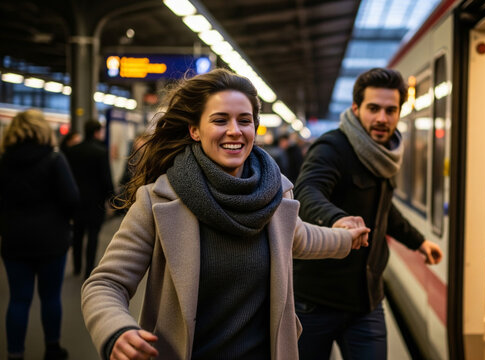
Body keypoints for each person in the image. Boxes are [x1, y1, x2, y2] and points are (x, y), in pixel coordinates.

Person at [81, 68, 370, 360]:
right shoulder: (158, 200)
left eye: (244, 121)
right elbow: (107, 283)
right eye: (220, 120)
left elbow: (303, 237)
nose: (235, 130)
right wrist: (117, 330)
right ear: (195, 130)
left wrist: (346, 237)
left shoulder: (275, 193)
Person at [292, 67, 443, 359]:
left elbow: (386, 210)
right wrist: (336, 219)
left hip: (366, 301)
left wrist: (419, 242)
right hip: (314, 303)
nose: (382, 119)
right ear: (356, 108)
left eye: (391, 110)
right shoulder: (332, 147)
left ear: (400, 112)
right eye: (373, 108)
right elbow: (307, 191)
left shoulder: (385, 155)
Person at [0, 109, 79, 360]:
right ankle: (53, 348)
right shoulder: (55, 160)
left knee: (19, 299)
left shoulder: (3, 161)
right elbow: (72, 198)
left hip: (14, 240)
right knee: (50, 297)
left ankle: (15, 354)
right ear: (43, 130)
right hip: (51, 240)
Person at [66, 119, 114, 278]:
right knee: (93, 235)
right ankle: (88, 270)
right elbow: (106, 177)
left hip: (76, 200)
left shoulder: (73, 151)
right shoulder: (100, 151)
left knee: (78, 234)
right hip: (96, 202)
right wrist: (111, 197)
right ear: (96, 132)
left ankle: (77, 267)